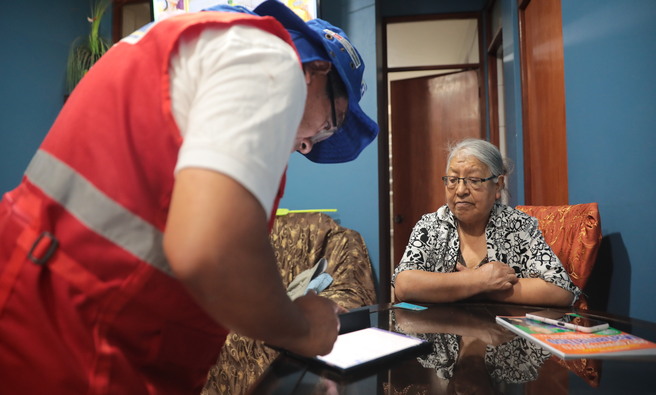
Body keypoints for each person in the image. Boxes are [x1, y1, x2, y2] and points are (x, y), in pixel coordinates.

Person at [0, 1, 377, 394]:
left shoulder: (196, 44)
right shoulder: (271, 58)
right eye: (328, 127)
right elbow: (212, 252)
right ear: (318, 69)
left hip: (62, 311)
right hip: (79, 339)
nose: (305, 143)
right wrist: (303, 329)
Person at [393, 139, 579, 307]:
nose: (460, 190)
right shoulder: (431, 225)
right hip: (441, 338)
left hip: (503, 338)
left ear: (497, 185)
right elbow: (404, 285)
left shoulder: (519, 226)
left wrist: (478, 290)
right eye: (452, 180)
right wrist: (478, 281)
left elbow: (560, 291)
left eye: (473, 180)